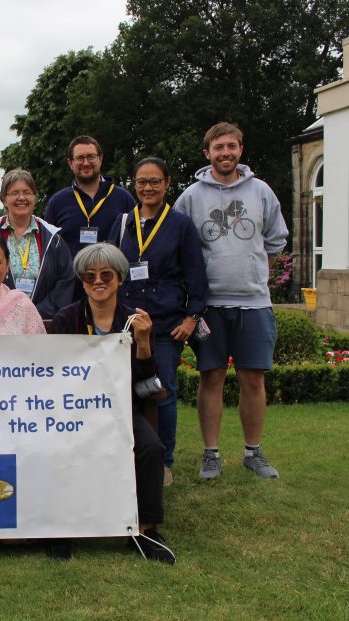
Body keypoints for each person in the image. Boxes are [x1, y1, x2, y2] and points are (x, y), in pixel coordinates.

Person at [174, 122, 288, 481]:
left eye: (231, 146)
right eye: (218, 147)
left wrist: (251, 267)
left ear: (241, 149)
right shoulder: (191, 196)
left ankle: (253, 452)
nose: (225, 152)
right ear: (207, 153)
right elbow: (178, 242)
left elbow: (276, 240)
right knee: (213, 377)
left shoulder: (262, 191)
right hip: (210, 306)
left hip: (255, 302)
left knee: (253, 379)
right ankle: (211, 454)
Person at [51, 243, 175, 564]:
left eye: (106, 274)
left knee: (149, 447)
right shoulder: (67, 319)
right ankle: (61, 529)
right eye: (89, 276)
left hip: (120, 412)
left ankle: (145, 530)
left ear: (120, 279)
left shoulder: (135, 321)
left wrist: (145, 343)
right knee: (55, 446)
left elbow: (149, 384)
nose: (98, 281)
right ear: (82, 281)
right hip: (73, 412)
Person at [109, 157, 208, 485]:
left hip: (164, 325)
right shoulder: (123, 223)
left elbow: (196, 275)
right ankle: (124, 457)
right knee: (122, 392)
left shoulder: (180, 225)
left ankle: (163, 461)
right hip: (124, 323)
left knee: (160, 392)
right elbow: (108, 268)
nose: (147, 188)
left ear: (167, 184)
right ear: (134, 184)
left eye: (154, 181)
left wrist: (192, 317)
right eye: (141, 182)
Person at [44, 135, 135, 301]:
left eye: (91, 156)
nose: (85, 163)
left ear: (100, 158)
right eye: (79, 158)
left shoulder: (123, 198)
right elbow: (49, 251)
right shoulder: (57, 202)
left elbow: (135, 243)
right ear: (70, 163)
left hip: (111, 290)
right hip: (70, 293)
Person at [0, 169, 74, 320]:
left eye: (27, 192)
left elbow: (65, 280)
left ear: (35, 198)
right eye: (14, 193)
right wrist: (4, 314)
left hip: (44, 324)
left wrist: (35, 314)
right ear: (4, 199)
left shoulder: (54, 239)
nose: (21, 198)